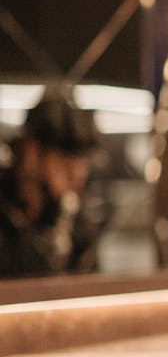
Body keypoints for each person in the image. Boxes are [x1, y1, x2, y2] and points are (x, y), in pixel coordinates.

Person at [0, 85, 104, 278]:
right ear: (32, 153)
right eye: (65, 169)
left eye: (81, 173)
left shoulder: (74, 220)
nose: (74, 185)